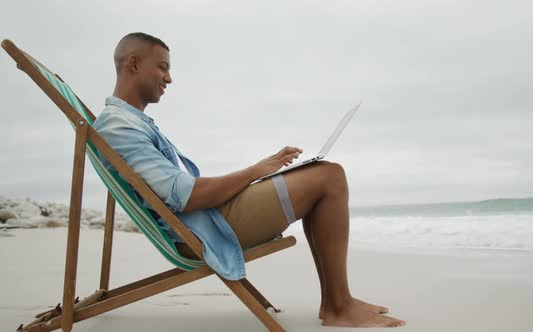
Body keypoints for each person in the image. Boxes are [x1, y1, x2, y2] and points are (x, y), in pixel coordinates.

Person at [93, 32, 406, 328]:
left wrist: (261, 170)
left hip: (204, 218)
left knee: (321, 174)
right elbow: (184, 195)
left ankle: (336, 302)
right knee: (329, 177)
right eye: (162, 68)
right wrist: (257, 170)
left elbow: (178, 191)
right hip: (201, 230)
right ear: (134, 64)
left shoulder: (128, 122)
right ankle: (339, 307)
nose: (169, 78)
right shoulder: (119, 126)